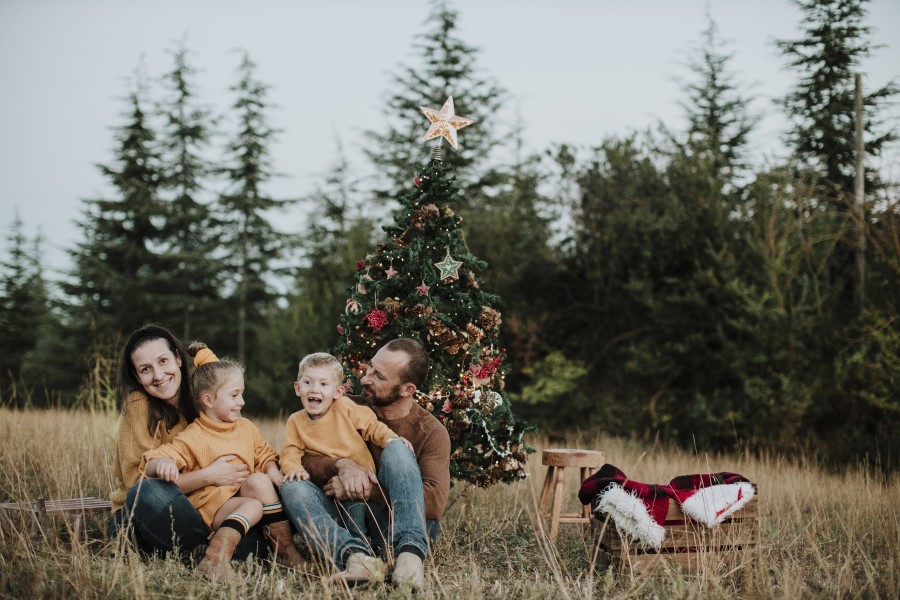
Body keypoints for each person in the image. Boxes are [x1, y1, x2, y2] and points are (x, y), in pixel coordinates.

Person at [280, 338, 451, 590]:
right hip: (347, 520)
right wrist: (341, 465)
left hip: (392, 529)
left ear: (406, 389)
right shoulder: (344, 405)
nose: (364, 378)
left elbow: (434, 502)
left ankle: (410, 557)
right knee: (292, 487)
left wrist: (367, 489)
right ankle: (355, 558)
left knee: (396, 448)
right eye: (369, 367)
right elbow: (302, 457)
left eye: (379, 376)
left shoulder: (431, 431)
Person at [142, 341, 305, 580]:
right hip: (211, 508)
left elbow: (265, 455)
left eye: (242, 394)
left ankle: (284, 552)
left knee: (260, 480)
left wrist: (273, 472)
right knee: (254, 505)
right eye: (234, 395)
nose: (242, 402)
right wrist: (163, 464)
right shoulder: (194, 436)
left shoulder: (246, 428)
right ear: (208, 400)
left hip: (240, 500)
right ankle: (214, 559)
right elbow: (153, 460)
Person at [108, 324, 266, 561]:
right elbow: (136, 484)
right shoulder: (138, 404)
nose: (158, 375)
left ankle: (209, 550)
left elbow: (239, 444)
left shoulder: (204, 396)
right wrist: (209, 476)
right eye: (146, 369)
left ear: (178, 359)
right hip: (148, 515)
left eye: (163, 361)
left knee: (257, 526)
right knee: (150, 491)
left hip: (208, 512)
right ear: (137, 376)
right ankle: (209, 551)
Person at [280, 352, 412, 540]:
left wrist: (390, 439)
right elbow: (290, 451)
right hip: (329, 491)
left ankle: (370, 546)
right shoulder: (295, 421)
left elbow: (371, 427)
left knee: (360, 516)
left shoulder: (344, 407)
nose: (314, 390)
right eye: (307, 382)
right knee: (298, 491)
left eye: (324, 384)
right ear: (297, 387)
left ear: (338, 391)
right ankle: (353, 548)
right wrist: (293, 468)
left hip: (360, 485)